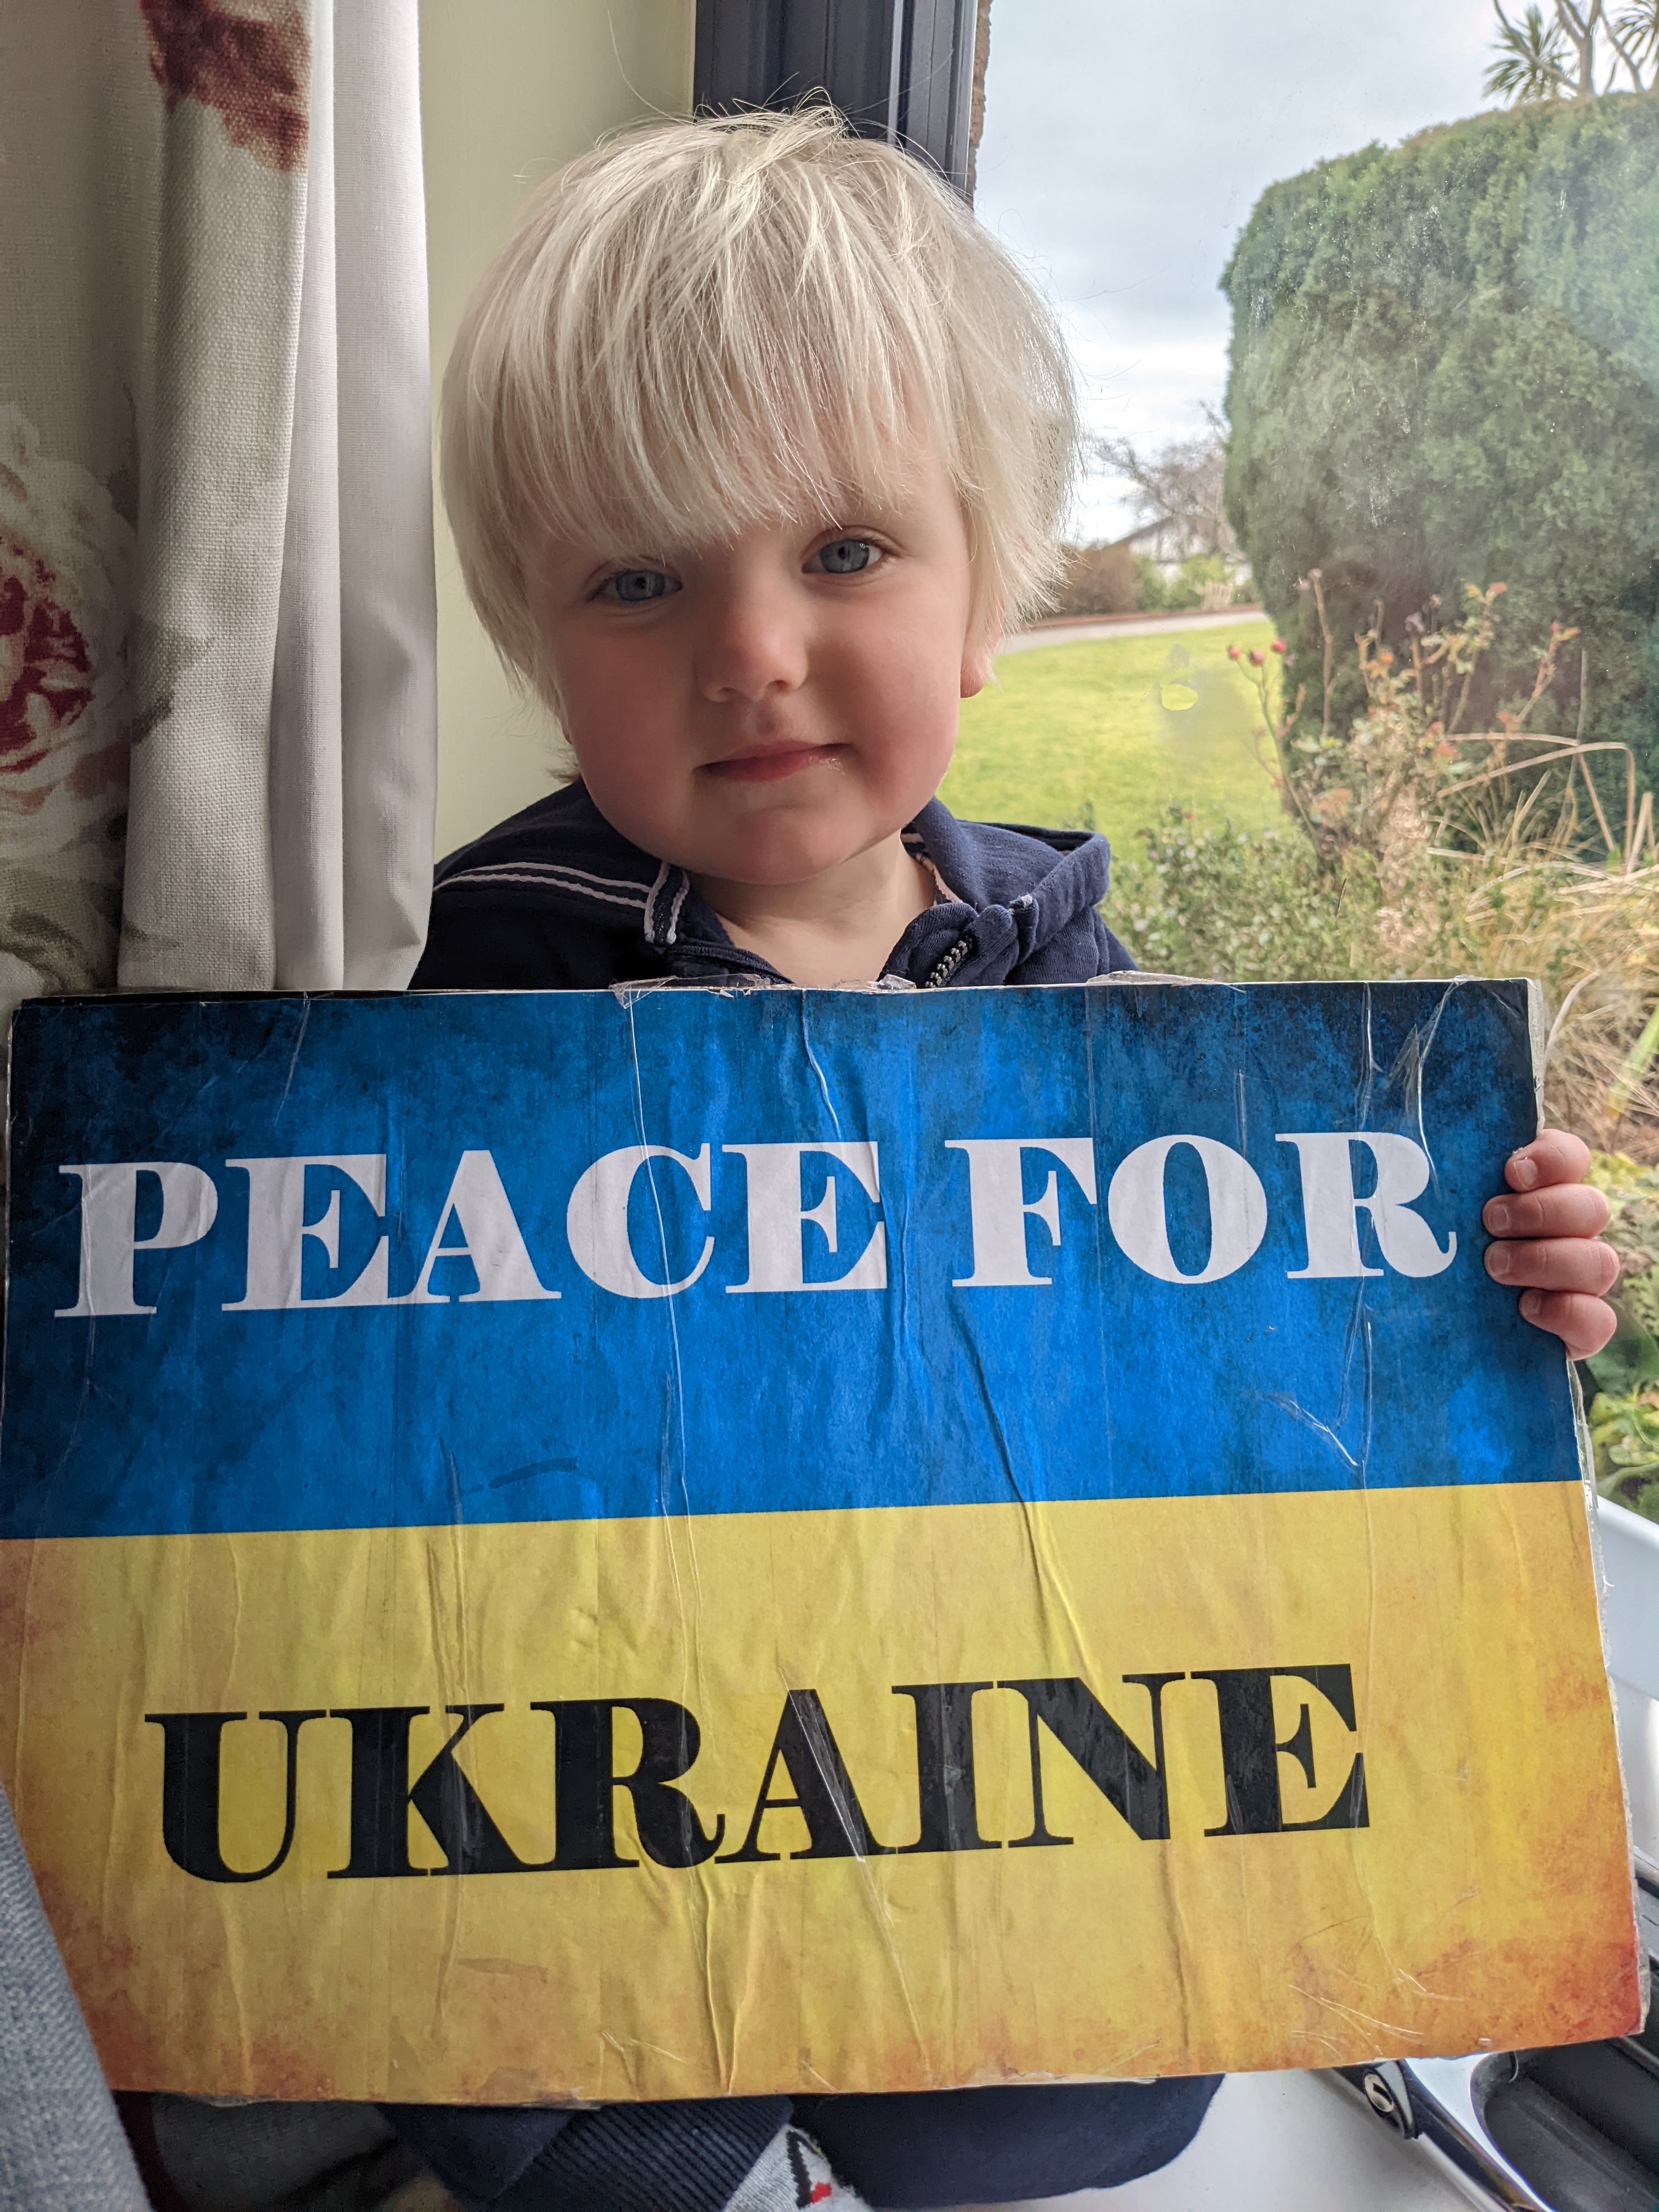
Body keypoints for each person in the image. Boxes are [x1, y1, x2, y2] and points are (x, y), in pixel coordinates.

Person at [392, 108, 1615, 2212]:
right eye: (640, 578)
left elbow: (1252, 1383)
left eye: (845, 553)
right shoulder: (488, 1003)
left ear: (983, 606)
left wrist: (1473, 1298)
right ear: (541, 650)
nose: (755, 648)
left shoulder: (1085, 984)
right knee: (560, 2108)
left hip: (1009, 1746)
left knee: (1082, 2106)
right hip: (644, 1757)